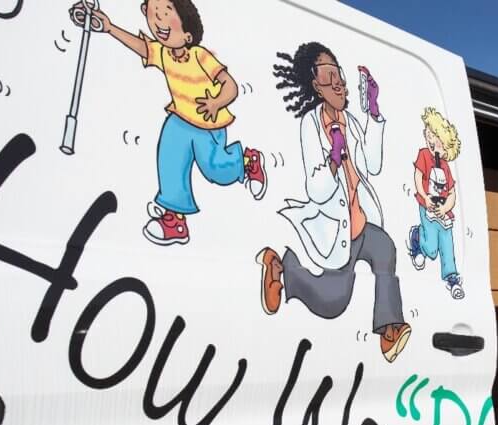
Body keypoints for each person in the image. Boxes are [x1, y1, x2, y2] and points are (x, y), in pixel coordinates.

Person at [257, 43, 410, 363]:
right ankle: (282, 268)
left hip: (361, 219)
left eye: (338, 74)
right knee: (333, 301)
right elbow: (317, 189)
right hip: (335, 223)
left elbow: (373, 164)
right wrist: (333, 160)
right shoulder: (310, 125)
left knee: (385, 250)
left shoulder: (351, 122)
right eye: (329, 76)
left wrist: (375, 114)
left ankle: (389, 328)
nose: (338, 82)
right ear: (315, 84)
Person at [71, 0, 267, 247]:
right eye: (154, 12)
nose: (159, 20)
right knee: (170, 160)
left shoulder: (200, 56)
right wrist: (109, 27)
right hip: (180, 120)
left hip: (208, 122)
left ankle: (247, 161)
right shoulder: (163, 53)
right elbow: (142, 47)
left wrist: (217, 103)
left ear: (188, 35)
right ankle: (174, 219)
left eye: (166, 13)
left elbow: (230, 85)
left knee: (216, 169)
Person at [406, 107, 465, 299]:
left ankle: (452, 278)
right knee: (431, 249)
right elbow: (418, 176)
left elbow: (452, 192)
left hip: (443, 212)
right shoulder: (424, 155)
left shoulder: (446, 167)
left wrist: (446, 207)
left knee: (447, 243)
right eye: (429, 134)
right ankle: (417, 238)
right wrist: (425, 197)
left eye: (435, 136)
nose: (431, 139)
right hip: (427, 206)